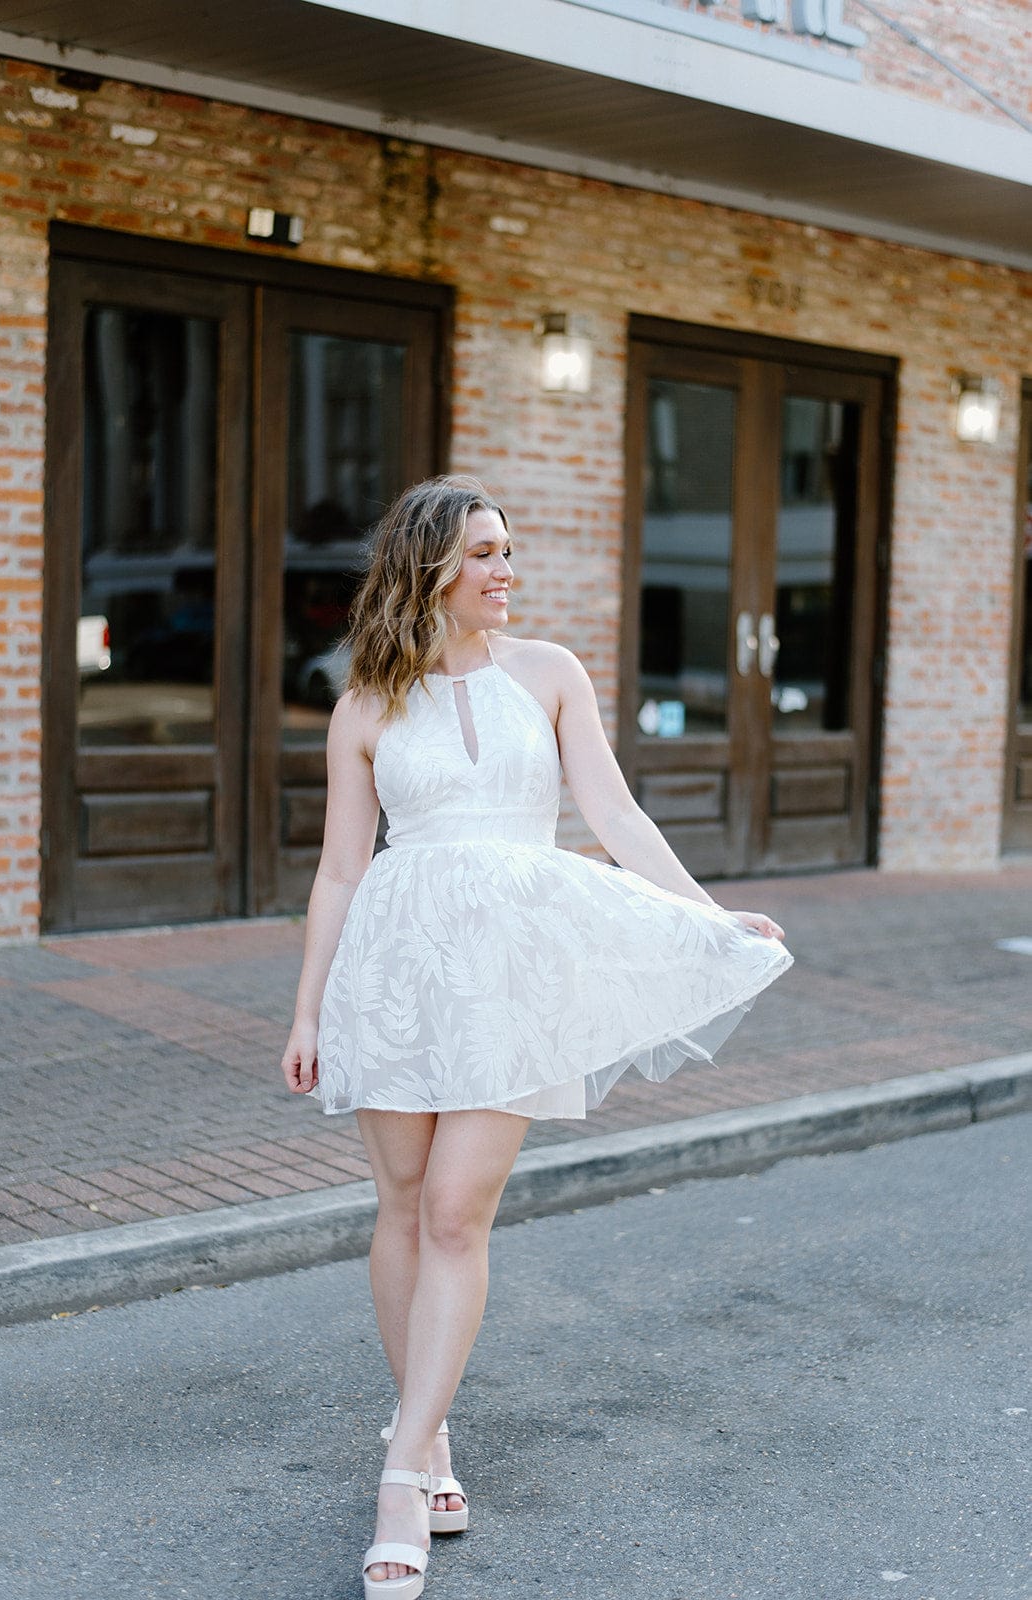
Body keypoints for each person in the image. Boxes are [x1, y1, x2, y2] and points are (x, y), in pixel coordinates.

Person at [280, 474, 793, 1599]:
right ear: (428, 569)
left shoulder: (552, 674)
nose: (506, 572)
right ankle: (436, 1430)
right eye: (483, 554)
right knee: (404, 1205)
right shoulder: (368, 699)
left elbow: (613, 815)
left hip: (514, 974)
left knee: (459, 1208)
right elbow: (339, 867)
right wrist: (311, 1005)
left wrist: (704, 913)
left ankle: (402, 1476)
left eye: (509, 551)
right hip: (398, 968)